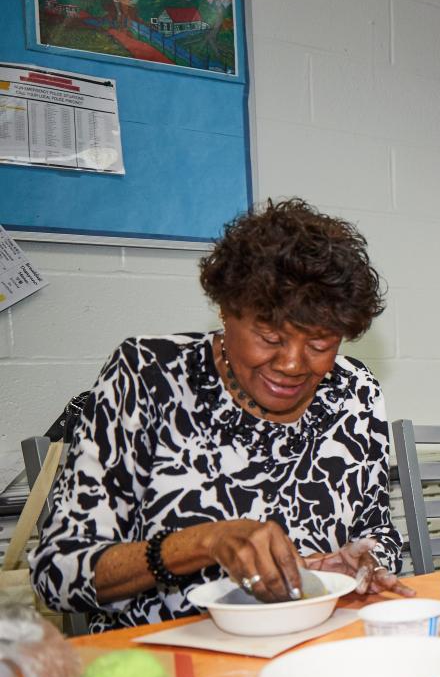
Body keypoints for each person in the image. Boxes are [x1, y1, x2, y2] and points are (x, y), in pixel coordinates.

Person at [31, 198, 413, 633]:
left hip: (314, 644)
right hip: (168, 660)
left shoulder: (354, 392)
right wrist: (200, 544)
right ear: (225, 310)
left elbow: (377, 532)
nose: (292, 363)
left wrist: (356, 563)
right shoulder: (147, 376)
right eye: (269, 336)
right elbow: (56, 572)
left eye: (320, 344)